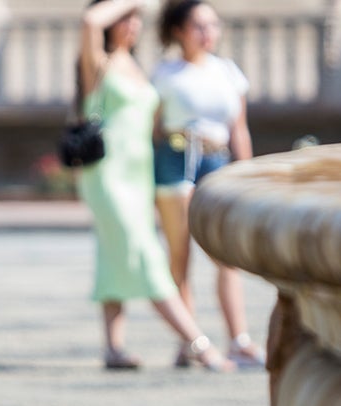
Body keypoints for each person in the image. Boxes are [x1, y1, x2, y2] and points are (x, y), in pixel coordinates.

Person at [76, 0, 234, 372]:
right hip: (108, 175)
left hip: (140, 175)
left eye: (136, 19)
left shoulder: (136, 65)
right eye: (124, 19)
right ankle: (199, 345)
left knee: (112, 254)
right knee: (146, 255)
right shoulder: (98, 62)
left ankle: (113, 348)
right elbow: (89, 19)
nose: (132, 24)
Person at [151, 0, 266, 368]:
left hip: (217, 160)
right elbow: (154, 127)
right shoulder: (166, 73)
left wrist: (247, 174)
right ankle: (191, 341)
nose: (208, 33)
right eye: (199, 26)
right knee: (180, 253)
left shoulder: (227, 71)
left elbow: (239, 128)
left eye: (212, 25)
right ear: (179, 31)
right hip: (176, 156)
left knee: (225, 253)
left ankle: (239, 339)